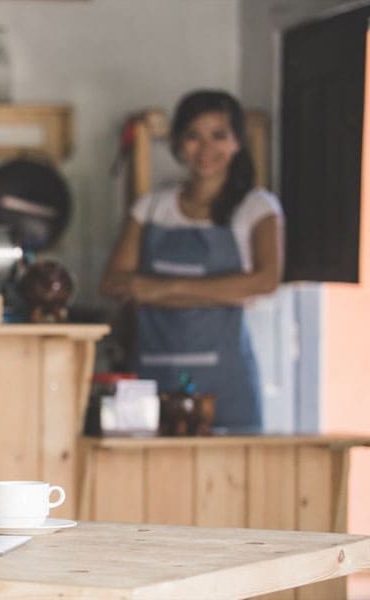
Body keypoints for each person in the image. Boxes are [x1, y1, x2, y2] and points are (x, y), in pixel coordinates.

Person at [100, 90, 284, 431]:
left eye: (219, 136)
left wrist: (157, 288)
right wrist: (222, 290)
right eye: (193, 136)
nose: (206, 149)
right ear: (178, 143)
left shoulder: (257, 208)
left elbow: (264, 281)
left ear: (237, 142)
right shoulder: (152, 207)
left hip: (225, 386)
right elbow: (113, 282)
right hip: (150, 379)